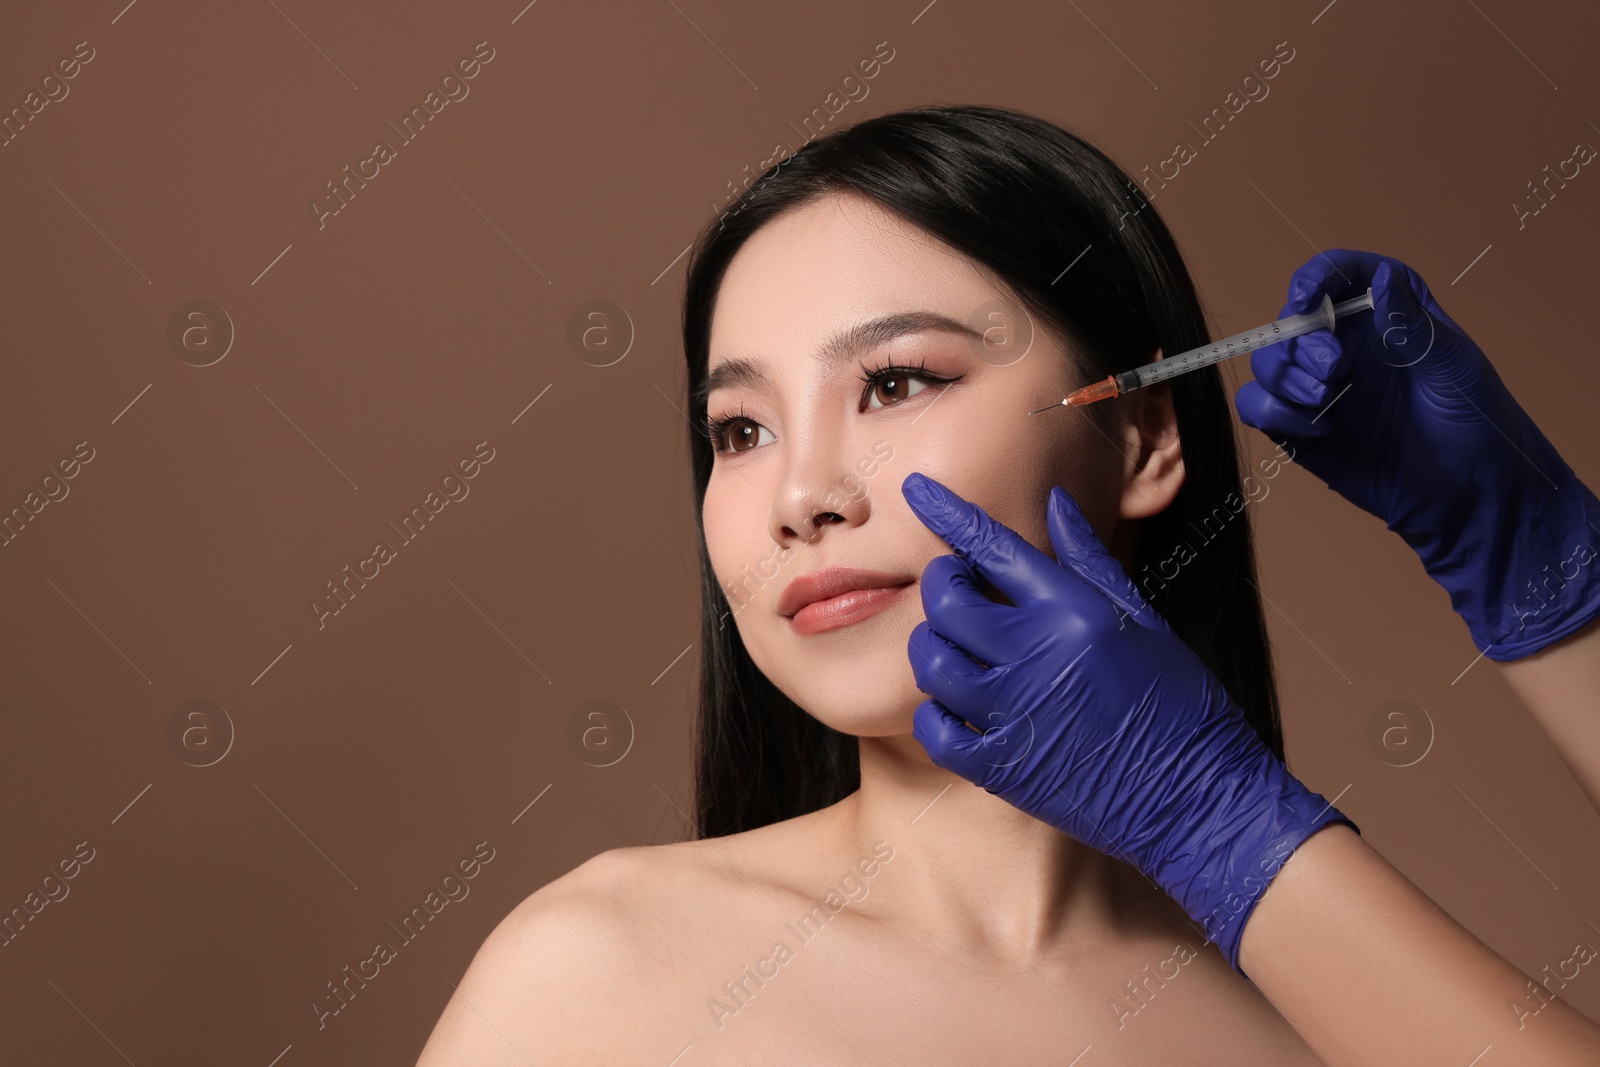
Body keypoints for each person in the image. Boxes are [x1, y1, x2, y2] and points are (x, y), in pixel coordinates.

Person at [416, 105, 1600, 1064]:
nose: (801, 494)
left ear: (1140, 438)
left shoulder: (1328, 1011)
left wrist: (1552, 581)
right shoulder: (600, 972)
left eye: (892, 382)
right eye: (737, 431)